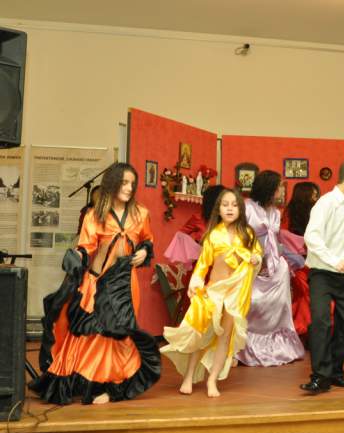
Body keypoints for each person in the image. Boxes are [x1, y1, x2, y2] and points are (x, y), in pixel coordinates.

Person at [29, 163, 160, 405]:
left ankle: (114, 385)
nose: (129, 188)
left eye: (132, 184)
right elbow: (86, 247)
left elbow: (147, 239)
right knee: (95, 336)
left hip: (125, 285)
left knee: (119, 335)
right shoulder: (94, 215)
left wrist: (144, 250)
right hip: (97, 283)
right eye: (124, 182)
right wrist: (76, 256)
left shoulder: (141, 213)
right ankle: (95, 382)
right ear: (112, 183)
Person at [161, 189, 262, 397]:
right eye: (225, 205)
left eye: (234, 205)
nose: (230, 209)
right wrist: (196, 281)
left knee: (224, 337)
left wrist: (256, 259)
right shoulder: (213, 235)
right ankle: (189, 376)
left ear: (240, 209)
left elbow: (257, 254)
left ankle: (212, 380)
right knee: (201, 334)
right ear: (218, 209)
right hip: (214, 291)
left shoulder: (248, 234)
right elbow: (203, 264)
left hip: (235, 294)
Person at [300, 159, 344, 393]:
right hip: (322, 273)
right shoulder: (326, 203)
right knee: (321, 323)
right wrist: (333, 260)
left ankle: (334, 370)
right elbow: (312, 237)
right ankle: (320, 376)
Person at [236, 171, 305, 366]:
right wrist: (254, 259)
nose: (281, 191)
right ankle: (245, 346)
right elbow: (239, 236)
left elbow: (275, 240)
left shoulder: (276, 212)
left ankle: (278, 347)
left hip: (275, 265)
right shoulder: (247, 207)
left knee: (279, 305)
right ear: (269, 188)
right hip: (252, 263)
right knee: (253, 304)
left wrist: (278, 259)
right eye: (279, 187)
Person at [280, 182, 321, 337]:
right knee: (307, 296)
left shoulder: (309, 213)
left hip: (304, 262)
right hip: (300, 264)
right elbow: (283, 238)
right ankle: (304, 329)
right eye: (314, 195)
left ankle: (304, 330)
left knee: (306, 296)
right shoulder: (290, 215)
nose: (316, 199)